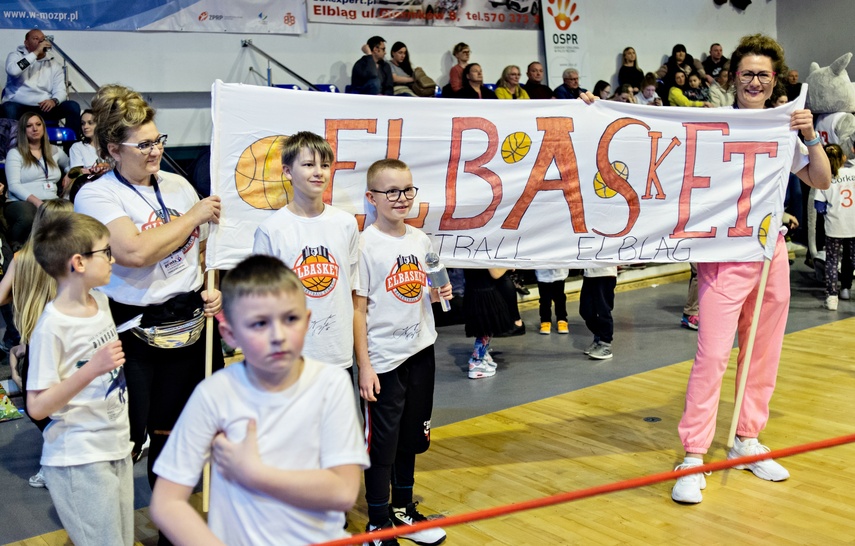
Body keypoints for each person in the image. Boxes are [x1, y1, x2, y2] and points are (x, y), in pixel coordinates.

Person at [671, 33, 832, 505]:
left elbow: (820, 178)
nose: (756, 81)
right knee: (713, 357)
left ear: (775, 79)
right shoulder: (712, 122)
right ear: (733, 77)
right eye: (747, 73)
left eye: (764, 74)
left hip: (770, 256)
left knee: (762, 355)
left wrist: (809, 134)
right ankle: (694, 454)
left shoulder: (785, 128)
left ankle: (746, 440)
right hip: (722, 256)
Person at [73, 84, 224, 529]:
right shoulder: (96, 195)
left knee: (178, 437)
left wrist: (206, 286)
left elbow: (196, 249)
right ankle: (111, 528)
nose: (156, 150)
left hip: (192, 323)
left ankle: (173, 526)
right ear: (114, 149)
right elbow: (135, 252)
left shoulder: (176, 185)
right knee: (132, 439)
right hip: (136, 333)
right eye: (144, 145)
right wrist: (194, 216)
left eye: (159, 140)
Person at [150, 255, 368, 545]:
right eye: (258, 324)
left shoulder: (331, 384)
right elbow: (166, 503)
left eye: (290, 319)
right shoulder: (214, 394)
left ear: (306, 321)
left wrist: (256, 475)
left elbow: (343, 491)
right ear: (230, 334)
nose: (277, 335)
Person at [354, 159, 451, 545]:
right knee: (382, 443)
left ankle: (403, 509)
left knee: (411, 435)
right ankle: (378, 520)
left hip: (420, 350)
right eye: (391, 191)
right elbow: (358, 311)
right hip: (383, 358)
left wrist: (435, 292)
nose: (402, 198)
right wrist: (365, 365)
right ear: (371, 197)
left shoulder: (420, 240)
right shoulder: (363, 245)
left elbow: (422, 286)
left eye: (408, 190)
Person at [27, 212, 133, 546]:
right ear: (79, 262)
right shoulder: (51, 327)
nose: (112, 258)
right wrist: (92, 369)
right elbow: (38, 406)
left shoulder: (100, 301)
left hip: (115, 443)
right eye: (105, 252)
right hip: (79, 456)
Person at [253, 131, 359, 371]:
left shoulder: (346, 223)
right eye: (309, 164)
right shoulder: (271, 230)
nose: (318, 172)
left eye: (324, 165)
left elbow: (351, 290)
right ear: (288, 171)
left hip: (338, 353)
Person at [4, 111, 69, 250]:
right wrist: (37, 202)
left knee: (70, 212)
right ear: (23, 130)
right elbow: (14, 185)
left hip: (51, 198)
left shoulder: (55, 151)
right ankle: (13, 247)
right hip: (21, 200)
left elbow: (70, 165)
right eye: (29, 126)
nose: (35, 129)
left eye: (38, 124)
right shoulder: (15, 153)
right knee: (28, 218)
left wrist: (69, 174)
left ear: (43, 127)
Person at [1, 29, 81, 137]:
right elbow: (13, 71)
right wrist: (35, 53)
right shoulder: (15, 56)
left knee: (72, 106)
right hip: (18, 106)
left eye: (42, 39)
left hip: (44, 107)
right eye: (36, 39)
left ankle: (71, 149)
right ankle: (9, 150)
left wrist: (54, 101)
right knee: (8, 108)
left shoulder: (54, 64)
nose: (40, 42)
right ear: (26, 43)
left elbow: (60, 90)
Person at [815, 143, 853, 310]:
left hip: (834, 226)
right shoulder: (853, 173)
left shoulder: (825, 178)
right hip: (853, 224)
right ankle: (846, 288)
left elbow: (819, 206)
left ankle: (832, 297)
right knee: (851, 258)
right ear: (843, 157)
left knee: (832, 260)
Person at [463, 268, 509, 379]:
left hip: (474, 291)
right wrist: (507, 266)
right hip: (484, 293)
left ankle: (481, 357)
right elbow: (495, 273)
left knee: (486, 329)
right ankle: (477, 362)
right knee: (486, 329)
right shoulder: (483, 251)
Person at [579, 267, 617, 360]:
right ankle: (599, 338)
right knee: (585, 310)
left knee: (603, 310)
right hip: (589, 273)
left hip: (606, 273)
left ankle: (606, 344)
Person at [536, 268, 569, 335]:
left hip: (559, 272)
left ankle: (562, 319)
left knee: (560, 298)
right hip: (543, 272)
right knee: (545, 299)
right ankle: (545, 320)